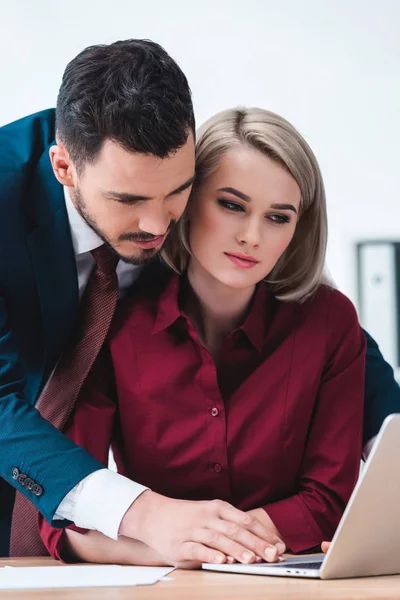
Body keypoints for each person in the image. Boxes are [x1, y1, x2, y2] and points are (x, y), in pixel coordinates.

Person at [38, 106, 368, 566]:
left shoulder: (330, 322)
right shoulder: (113, 323)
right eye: (231, 205)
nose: (252, 236)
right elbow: (64, 523)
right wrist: (176, 545)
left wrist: (215, 544)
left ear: (298, 229)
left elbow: (333, 501)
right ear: (185, 204)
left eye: (278, 217)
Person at [1, 40, 287, 564]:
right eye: (128, 200)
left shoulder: (191, 192)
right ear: (63, 166)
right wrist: (142, 512)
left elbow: (302, 311)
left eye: (176, 191)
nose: (158, 227)